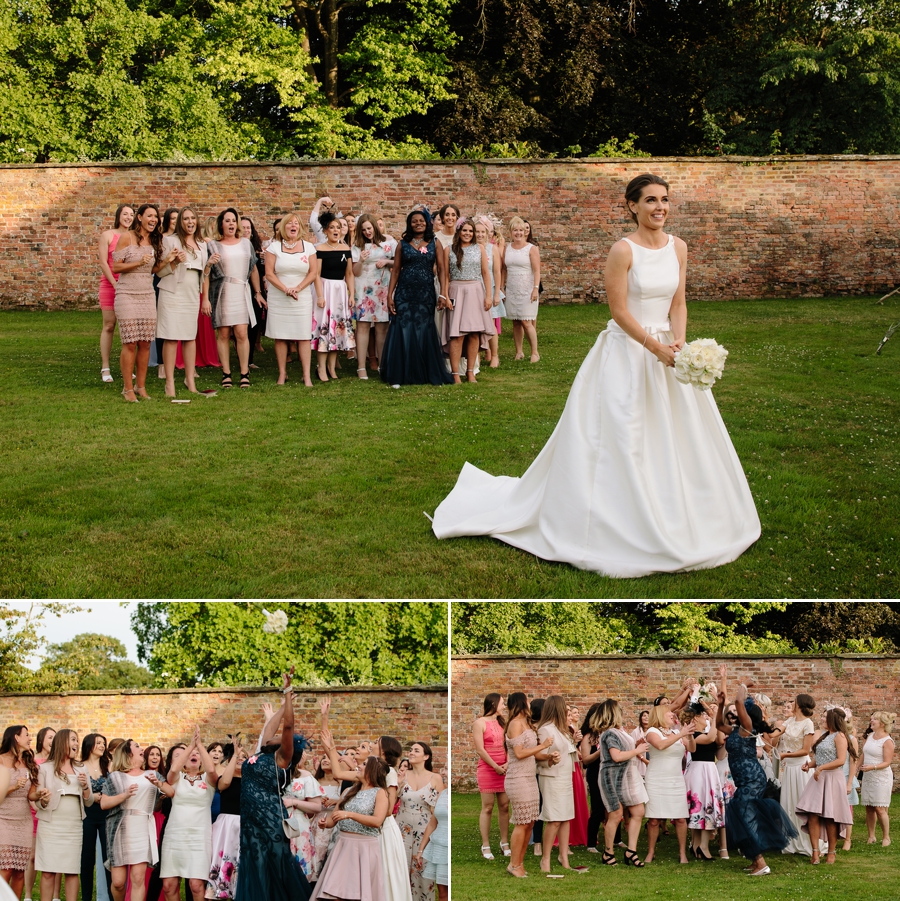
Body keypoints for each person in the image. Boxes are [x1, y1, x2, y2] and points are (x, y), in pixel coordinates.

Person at [432, 173, 761, 576]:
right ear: (632, 206)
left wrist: (679, 342)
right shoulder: (623, 250)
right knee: (625, 431)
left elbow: (679, 301)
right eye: (651, 201)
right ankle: (616, 515)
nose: (660, 207)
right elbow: (620, 312)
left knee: (678, 431)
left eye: (665, 200)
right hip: (629, 351)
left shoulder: (679, 247)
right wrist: (654, 347)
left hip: (668, 351)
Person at [235, 670, 311, 901]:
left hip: (270, 820)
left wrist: (288, 693)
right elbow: (270, 728)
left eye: (282, 736)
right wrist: (281, 703)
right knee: (256, 869)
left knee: (276, 867)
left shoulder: (282, 758)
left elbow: (288, 727)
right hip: (250, 822)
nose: (275, 735)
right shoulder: (259, 753)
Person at [715, 666, 796, 876]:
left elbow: (740, 701)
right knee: (744, 816)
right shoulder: (734, 731)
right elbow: (717, 724)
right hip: (744, 781)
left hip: (752, 779)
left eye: (738, 712)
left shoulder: (747, 727)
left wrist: (744, 684)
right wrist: (720, 704)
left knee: (743, 816)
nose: (735, 713)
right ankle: (754, 859)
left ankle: (761, 863)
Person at [380, 211, 454, 387]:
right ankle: (399, 375)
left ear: (427, 223)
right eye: (414, 221)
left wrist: (443, 293)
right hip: (404, 293)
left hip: (425, 293)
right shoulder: (402, 244)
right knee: (403, 330)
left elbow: (443, 270)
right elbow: (396, 270)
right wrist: (390, 295)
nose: (418, 223)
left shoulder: (435, 242)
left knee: (424, 330)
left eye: (421, 221)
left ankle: (427, 372)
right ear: (409, 223)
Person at [309, 757, 389, 901]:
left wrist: (349, 814)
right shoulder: (348, 791)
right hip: (343, 846)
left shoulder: (380, 792)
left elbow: (377, 821)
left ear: (373, 770)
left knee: (354, 896)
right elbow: (333, 819)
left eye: (364, 764)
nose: (358, 766)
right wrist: (324, 823)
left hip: (364, 848)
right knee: (333, 894)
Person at [30, 730, 94, 901]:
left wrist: (85, 786)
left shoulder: (82, 768)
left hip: (73, 826)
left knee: (72, 871)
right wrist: (43, 800)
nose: (76, 744)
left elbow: (89, 801)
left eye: (77, 740)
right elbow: (37, 801)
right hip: (51, 825)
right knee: (48, 871)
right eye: (73, 740)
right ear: (62, 742)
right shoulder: (44, 767)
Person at [207, 209, 266, 389]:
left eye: (234, 221)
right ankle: (226, 373)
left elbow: (253, 269)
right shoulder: (213, 246)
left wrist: (257, 292)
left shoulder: (246, 244)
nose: (231, 224)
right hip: (222, 291)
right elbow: (207, 274)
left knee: (242, 332)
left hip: (241, 290)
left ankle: (244, 373)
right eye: (227, 221)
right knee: (224, 333)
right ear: (221, 224)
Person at [111, 203, 164, 402]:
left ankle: (140, 386)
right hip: (126, 294)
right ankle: (127, 389)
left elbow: (153, 269)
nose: (154, 220)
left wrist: (170, 261)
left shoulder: (156, 240)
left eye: (156, 217)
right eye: (150, 216)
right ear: (140, 217)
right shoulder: (127, 237)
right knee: (130, 342)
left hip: (147, 294)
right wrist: (138, 262)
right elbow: (116, 266)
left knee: (145, 342)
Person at [156, 208, 210, 397]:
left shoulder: (202, 244)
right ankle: (169, 383)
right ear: (180, 221)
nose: (190, 221)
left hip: (191, 294)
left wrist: (205, 298)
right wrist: (174, 262)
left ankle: (190, 379)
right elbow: (159, 271)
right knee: (171, 337)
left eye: (193, 218)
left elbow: (203, 273)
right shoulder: (169, 240)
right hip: (172, 292)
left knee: (189, 337)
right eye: (186, 218)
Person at [160, 729, 219, 901]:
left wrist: (199, 745)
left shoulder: (208, 780)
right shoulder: (177, 778)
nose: (194, 755)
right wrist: (190, 746)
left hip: (199, 837)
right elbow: (172, 769)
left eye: (197, 754)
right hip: (175, 836)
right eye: (190, 754)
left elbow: (211, 769)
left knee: (196, 885)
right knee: (169, 886)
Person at [102, 739, 164, 901]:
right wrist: (124, 795)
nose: (141, 748)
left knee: (138, 879)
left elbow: (158, 804)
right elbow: (104, 803)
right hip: (119, 830)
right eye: (137, 746)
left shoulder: (152, 775)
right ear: (128, 753)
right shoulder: (115, 777)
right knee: (118, 883)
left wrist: (161, 798)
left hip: (142, 828)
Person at [502, 693, 555, 877]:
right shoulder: (515, 724)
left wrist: (549, 756)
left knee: (530, 822)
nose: (529, 703)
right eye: (526, 700)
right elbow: (519, 753)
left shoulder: (527, 723)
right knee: (522, 822)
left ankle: (519, 862)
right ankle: (513, 865)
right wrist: (543, 746)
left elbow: (532, 754)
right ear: (520, 703)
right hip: (517, 779)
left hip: (529, 778)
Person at [794, 707, 856, 864]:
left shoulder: (840, 736)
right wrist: (811, 765)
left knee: (830, 817)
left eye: (825, 717)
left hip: (833, 778)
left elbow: (841, 760)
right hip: (818, 779)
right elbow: (821, 757)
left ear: (833, 719)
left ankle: (831, 852)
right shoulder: (824, 735)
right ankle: (815, 852)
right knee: (812, 814)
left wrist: (821, 768)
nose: (822, 720)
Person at [593, 699, 649, 868]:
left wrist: (636, 745)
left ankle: (631, 850)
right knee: (616, 814)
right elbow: (616, 756)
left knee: (638, 810)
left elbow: (624, 750)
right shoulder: (609, 733)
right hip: (611, 776)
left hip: (626, 775)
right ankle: (608, 852)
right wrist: (637, 751)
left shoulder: (620, 731)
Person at [265, 213, 319, 387]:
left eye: (296, 223)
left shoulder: (309, 247)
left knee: (303, 336)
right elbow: (269, 274)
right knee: (280, 336)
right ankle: (282, 373)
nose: (293, 226)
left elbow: (313, 273)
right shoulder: (273, 248)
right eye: (289, 224)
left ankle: (306, 375)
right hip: (279, 297)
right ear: (283, 227)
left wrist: (298, 288)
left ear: (300, 228)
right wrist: (285, 289)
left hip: (301, 297)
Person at [439, 218, 494, 383]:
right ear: (458, 232)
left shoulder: (480, 249)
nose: (468, 234)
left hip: (476, 291)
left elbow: (485, 272)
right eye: (465, 230)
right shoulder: (449, 250)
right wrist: (445, 296)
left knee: (474, 333)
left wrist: (489, 296)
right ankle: (455, 374)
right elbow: (445, 276)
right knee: (457, 335)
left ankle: (470, 372)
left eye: (471, 231)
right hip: (456, 291)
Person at [643, 704, 694, 864]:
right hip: (656, 778)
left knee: (680, 818)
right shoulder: (652, 732)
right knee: (654, 819)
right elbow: (660, 745)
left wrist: (689, 735)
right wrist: (681, 734)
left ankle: (682, 853)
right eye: (669, 712)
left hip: (675, 780)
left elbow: (692, 748)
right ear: (660, 715)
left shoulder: (677, 732)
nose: (672, 714)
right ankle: (651, 852)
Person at [533, 697, 578, 872]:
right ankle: (545, 859)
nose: (567, 712)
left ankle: (563, 856)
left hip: (566, 776)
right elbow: (540, 755)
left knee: (566, 817)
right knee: (554, 819)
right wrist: (550, 759)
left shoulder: (563, 730)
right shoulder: (545, 729)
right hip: (552, 777)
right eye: (565, 709)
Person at [396, 743, 442, 901]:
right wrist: (400, 782)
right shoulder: (402, 774)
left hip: (425, 831)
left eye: (416, 750)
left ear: (426, 756)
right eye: (410, 750)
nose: (411, 752)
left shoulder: (435, 778)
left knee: (422, 870)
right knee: (399, 869)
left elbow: (441, 809)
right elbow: (391, 800)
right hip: (401, 829)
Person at [776, 693, 820, 856]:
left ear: (799, 705)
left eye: (793, 702)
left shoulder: (808, 723)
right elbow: (775, 733)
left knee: (803, 803)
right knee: (788, 804)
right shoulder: (789, 721)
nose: (791, 704)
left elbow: (805, 750)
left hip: (802, 767)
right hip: (789, 769)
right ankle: (792, 843)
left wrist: (785, 755)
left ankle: (810, 842)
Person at [313, 211, 355, 381]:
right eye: (332, 227)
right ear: (325, 231)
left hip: (340, 291)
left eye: (338, 227)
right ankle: (321, 368)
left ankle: (332, 367)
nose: (336, 230)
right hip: (325, 289)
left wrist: (351, 294)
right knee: (325, 328)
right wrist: (320, 296)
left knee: (338, 328)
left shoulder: (346, 249)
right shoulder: (320, 249)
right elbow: (316, 274)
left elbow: (350, 274)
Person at [352, 214, 396, 378]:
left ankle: (382, 365)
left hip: (383, 288)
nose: (367, 232)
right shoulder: (357, 246)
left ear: (375, 227)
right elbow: (354, 272)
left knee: (382, 327)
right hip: (363, 288)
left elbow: (399, 262)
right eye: (363, 230)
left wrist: (386, 262)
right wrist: (361, 261)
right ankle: (361, 366)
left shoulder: (388, 242)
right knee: (363, 326)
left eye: (369, 228)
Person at [98, 204, 135, 383]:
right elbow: (104, 262)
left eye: (131, 215)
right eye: (125, 214)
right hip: (110, 285)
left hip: (129, 287)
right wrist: (114, 283)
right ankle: (105, 367)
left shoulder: (134, 237)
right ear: (118, 215)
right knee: (109, 325)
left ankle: (127, 366)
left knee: (127, 328)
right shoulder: (107, 235)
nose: (128, 217)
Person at [0, 726, 38, 899]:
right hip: (3, 819)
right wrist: (14, 786)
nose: (30, 738)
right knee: (6, 869)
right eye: (27, 735)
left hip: (24, 820)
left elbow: (31, 795)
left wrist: (39, 795)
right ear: (16, 737)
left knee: (20, 871)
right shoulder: (0, 761)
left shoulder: (30, 762)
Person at [684, 704, 725, 860]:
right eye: (703, 716)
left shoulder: (706, 733)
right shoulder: (693, 734)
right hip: (699, 772)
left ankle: (698, 846)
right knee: (702, 806)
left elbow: (719, 753)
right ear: (695, 718)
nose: (706, 718)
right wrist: (714, 718)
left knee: (708, 806)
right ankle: (700, 846)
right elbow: (710, 738)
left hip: (709, 770)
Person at [472, 693, 509, 860]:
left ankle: (504, 842)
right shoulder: (479, 723)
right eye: (502, 703)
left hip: (505, 768)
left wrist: (506, 765)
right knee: (487, 807)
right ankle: (485, 845)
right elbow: (480, 749)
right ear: (493, 704)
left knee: (505, 806)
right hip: (488, 769)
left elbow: (510, 745)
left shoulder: (503, 722)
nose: (504, 706)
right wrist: (495, 767)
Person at [206, 741, 244, 900]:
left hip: (244, 825)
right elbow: (225, 784)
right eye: (238, 757)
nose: (241, 759)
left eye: (244, 757)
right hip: (226, 825)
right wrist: (235, 755)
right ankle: (218, 890)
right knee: (222, 860)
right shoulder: (223, 778)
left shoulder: (252, 782)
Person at [501, 217, 541, 362]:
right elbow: (504, 269)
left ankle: (535, 352)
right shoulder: (507, 248)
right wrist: (501, 287)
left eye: (520, 230)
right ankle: (519, 352)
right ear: (511, 232)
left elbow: (537, 271)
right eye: (515, 230)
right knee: (516, 321)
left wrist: (535, 289)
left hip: (527, 289)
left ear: (525, 232)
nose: (518, 233)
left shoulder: (531, 248)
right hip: (512, 288)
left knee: (526, 321)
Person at [80, 734, 112, 901]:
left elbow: (115, 788)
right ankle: (86, 897)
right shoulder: (79, 766)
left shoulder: (109, 766)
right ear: (89, 745)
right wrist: (94, 797)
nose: (102, 746)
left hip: (106, 816)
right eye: (98, 743)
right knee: (86, 860)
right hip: (87, 816)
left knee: (108, 859)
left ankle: (111, 896)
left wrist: (103, 798)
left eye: (103, 743)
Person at [859, 710, 895, 846]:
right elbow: (863, 754)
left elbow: (887, 762)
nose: (871, 721)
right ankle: (871, 836)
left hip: (881, 777)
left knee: (880, 808)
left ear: (882, 724)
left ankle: (886, 837)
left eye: (874, 719)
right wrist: (857, 767)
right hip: (868, 776)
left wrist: (872, 767)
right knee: (869, 807)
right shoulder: (870, 736)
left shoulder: (887, 740)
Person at [474, 217, 504, 368]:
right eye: (477, 232)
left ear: (487, 233)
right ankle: (477, 356)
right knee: (476, 325)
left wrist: (496, 293)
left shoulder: (493, 249)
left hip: (490, 289)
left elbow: (497, 272)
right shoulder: (471, 247)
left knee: (491, 324)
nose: (479, 235)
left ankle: (494, 355)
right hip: (475, 290)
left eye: (482, 232)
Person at [240, 217, 267, 370]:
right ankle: (242, 357)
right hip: (241, 288)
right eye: (243, 227)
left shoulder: (258, 249)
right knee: (242, 325)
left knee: (254, 324)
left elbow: (262, 272)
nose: (246, 230)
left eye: (248, 227)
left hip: (256, 290)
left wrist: (264, 259)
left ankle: (249, 359)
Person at [414, 786, 447, 901]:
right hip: (438, 847)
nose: (443, 772)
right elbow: (432, 824)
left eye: (445, 769)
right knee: (442, 894)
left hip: (448, 846)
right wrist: (420, 850)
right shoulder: (442, 794)